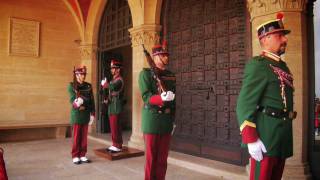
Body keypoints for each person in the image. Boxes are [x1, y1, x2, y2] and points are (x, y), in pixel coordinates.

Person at [236, 13, 296, 180]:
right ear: (266, 38)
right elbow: (244, 104)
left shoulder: (282, 66)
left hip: (281, 134)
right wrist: (251, 139)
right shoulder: (258, 65)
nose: (285, 40)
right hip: (265, 136)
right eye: (280, 35)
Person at [138, 44, 176, 180]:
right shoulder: (145, 74)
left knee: (162, 159)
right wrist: (160, 98)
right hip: (152, 120)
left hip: (166, 120)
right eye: (163, 55)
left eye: (167, 55)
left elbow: (173, 101)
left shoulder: (170, 75)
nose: (166, 57)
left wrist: (173, 120)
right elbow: (145, 96)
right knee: (151, 159)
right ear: (155, 57)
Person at [67, 66, 95, 165]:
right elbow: (71, 100)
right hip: (77, 114)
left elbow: (92, 100)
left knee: (84, 137)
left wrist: (93, 113)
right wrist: (77, 103)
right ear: (76, 75)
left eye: (83, 74)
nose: (82, 76)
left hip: (86, 114)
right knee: (76, 136)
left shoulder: (88, 86)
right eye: (80, 74)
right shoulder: (72, 85)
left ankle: (82, 154)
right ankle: (75, 155)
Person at [101, 59, 125, 152]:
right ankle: (115, 143)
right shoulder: (114, 79)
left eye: (114, 68)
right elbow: (110, 91)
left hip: (116, 105)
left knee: (116, 126)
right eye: (112, 68)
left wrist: (105, 84)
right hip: (112, 104)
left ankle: (118, 145)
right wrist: (106, 99)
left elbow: (113, 87)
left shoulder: (119, 80)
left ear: (118, 70)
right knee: (113, 126)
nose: (112, 70)